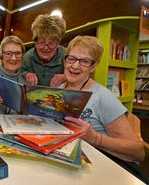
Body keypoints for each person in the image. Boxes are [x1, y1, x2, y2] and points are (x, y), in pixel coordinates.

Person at [59, 35, 147, 183]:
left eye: (85, 61)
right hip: (68, 163)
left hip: (101, 169)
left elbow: (138, 152)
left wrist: (95, 138)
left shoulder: (103, 97)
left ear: (94, 66)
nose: (74, 66)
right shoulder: (59, 89)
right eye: (71, 58)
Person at [21, 14, 66, 87]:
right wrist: (26, 74)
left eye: (51, 43)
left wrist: (65, 77)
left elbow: (79, 76)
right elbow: (17, 73)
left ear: (58, 43)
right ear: (35, 42)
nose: (46, 48)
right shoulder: (27, 57)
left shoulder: (66, 55)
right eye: (41, 43)